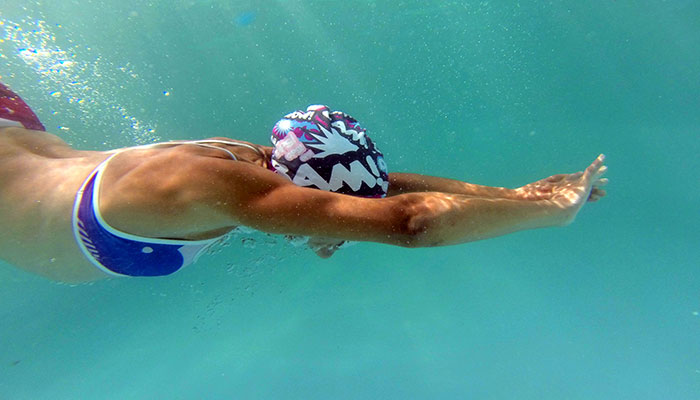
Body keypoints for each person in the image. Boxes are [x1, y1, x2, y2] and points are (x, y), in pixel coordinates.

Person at [0, 83, 607, 283]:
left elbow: (387, 185)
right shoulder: (219, 187)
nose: (329, 222)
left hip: (20, 130)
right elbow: (410, 220)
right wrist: (551, 213)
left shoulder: (266, 159)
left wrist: (516, 194)